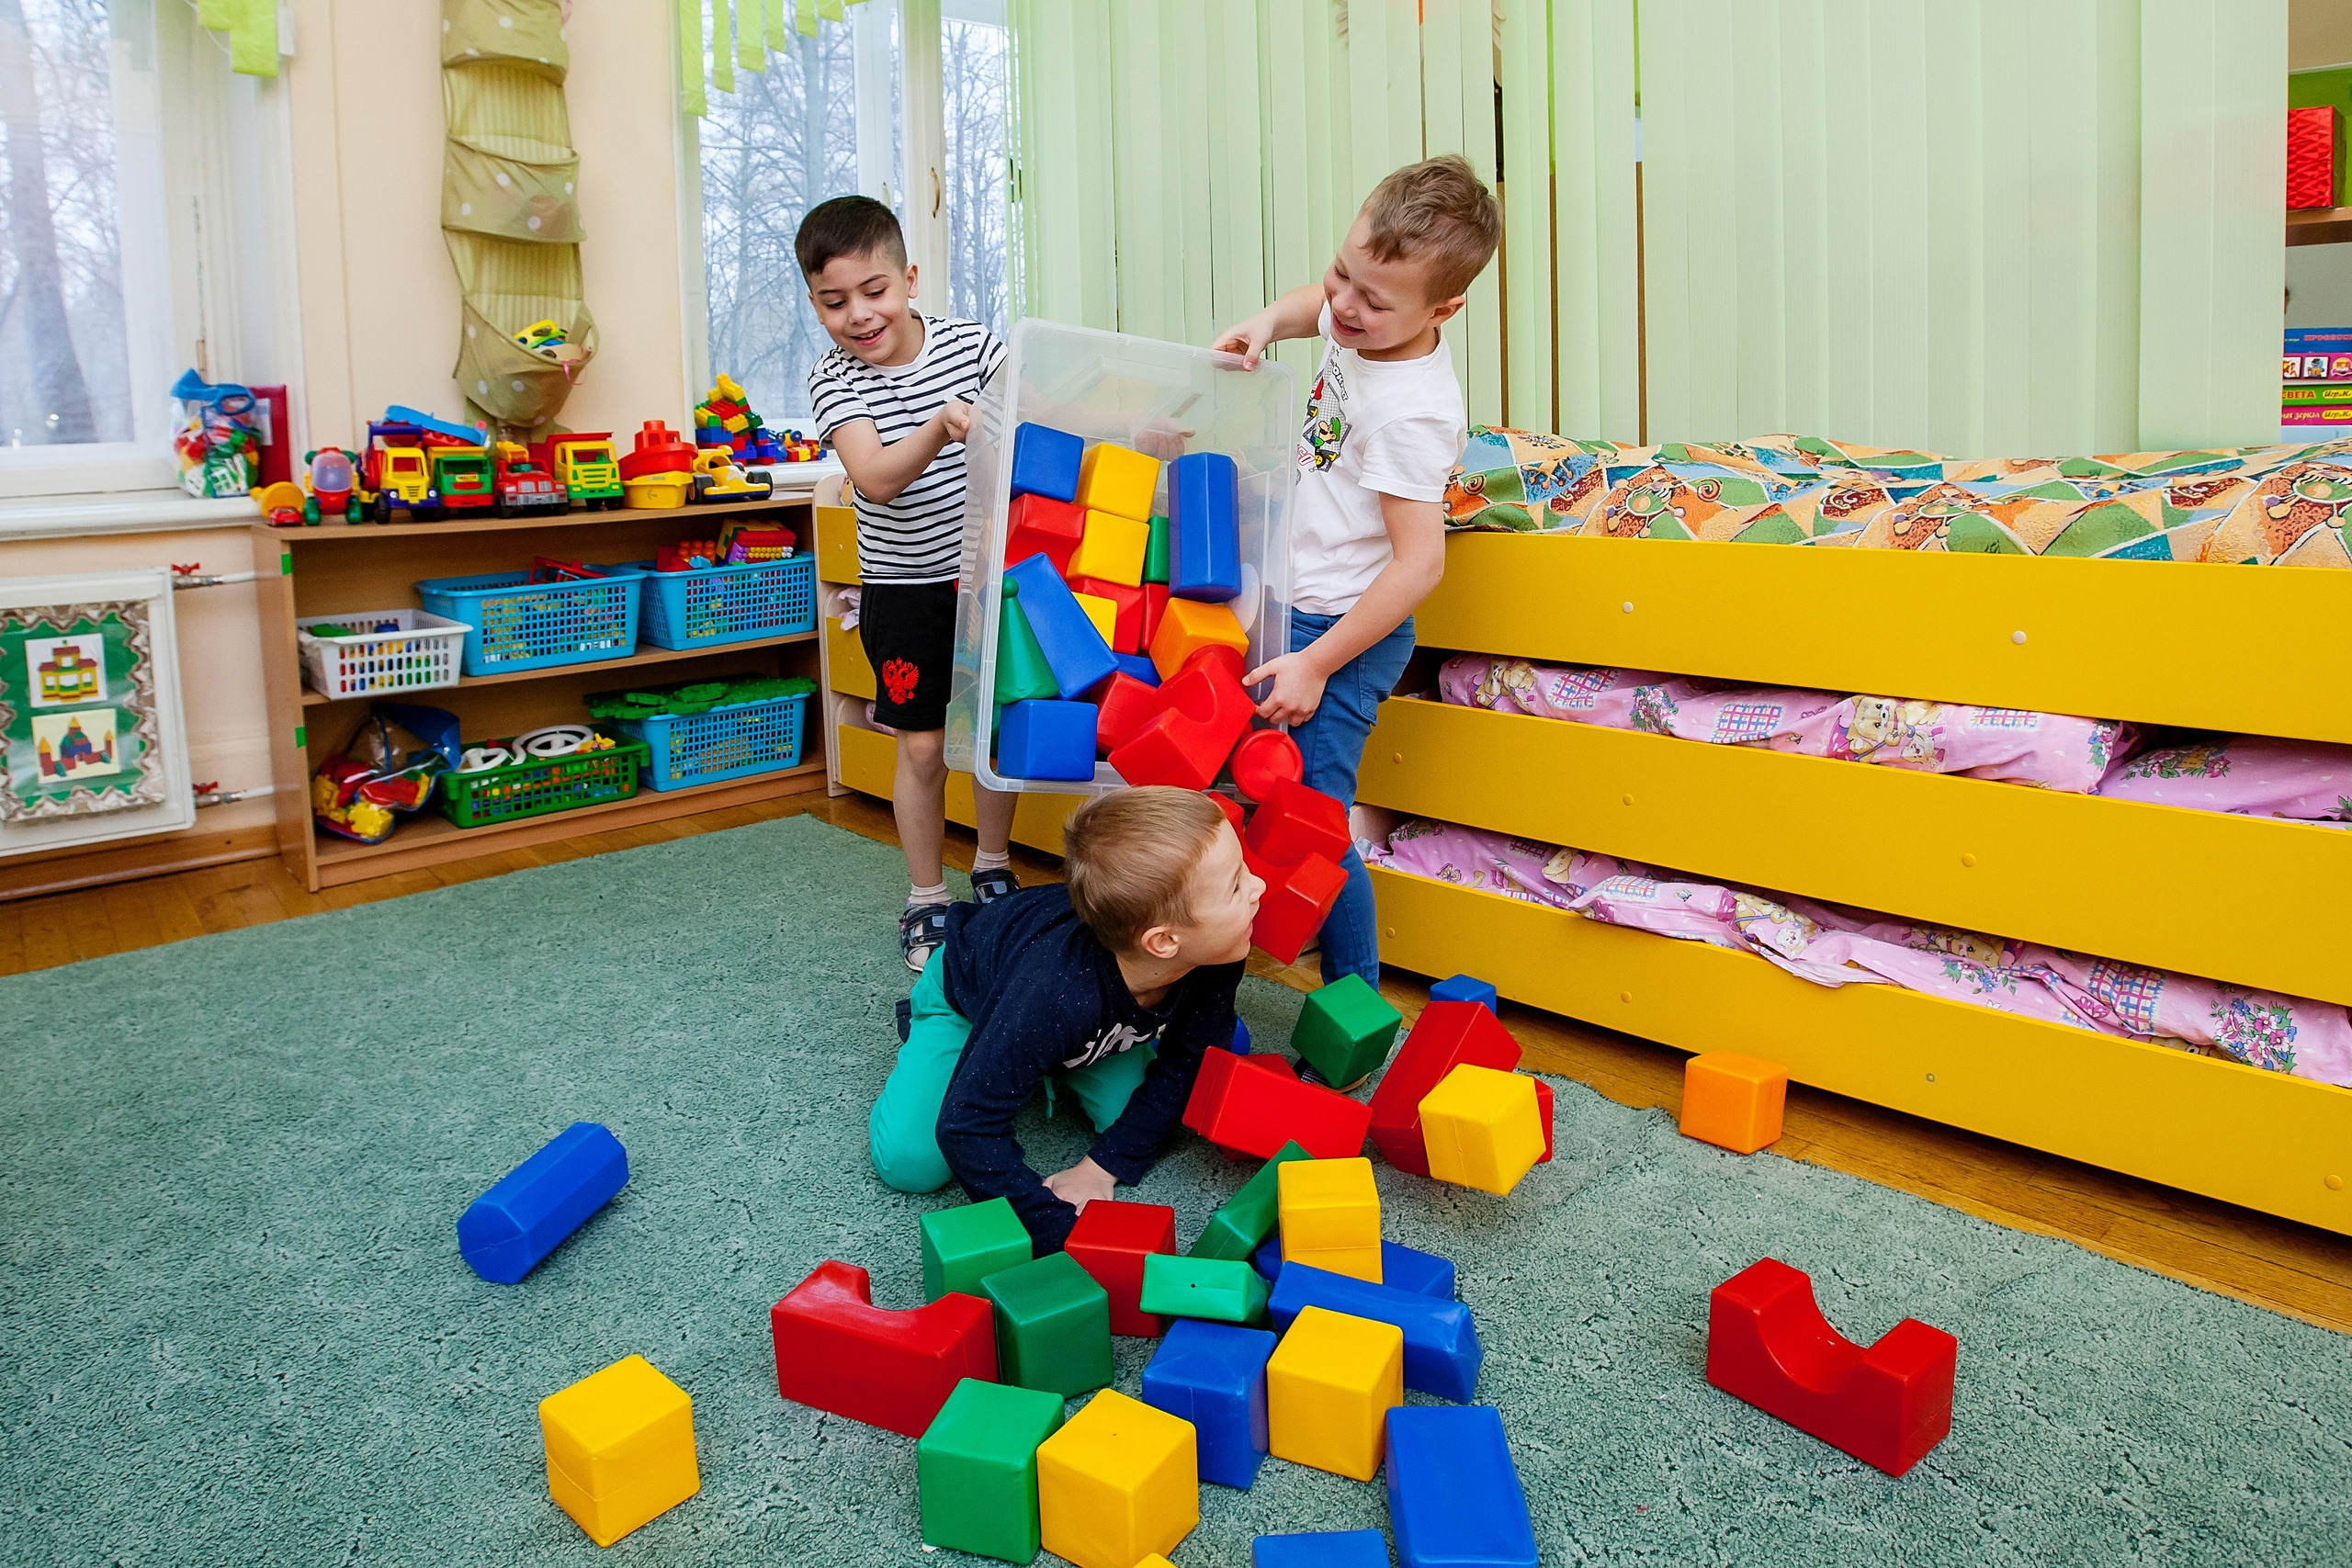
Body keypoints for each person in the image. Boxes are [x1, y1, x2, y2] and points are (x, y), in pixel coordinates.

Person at [1211, 154, 1500, 990]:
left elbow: (1419, 566)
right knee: (1260, 791)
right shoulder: (1356, 318)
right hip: (1292, 601)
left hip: (1339, 632)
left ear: (1442, 310)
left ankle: (1355, 1001)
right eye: (1344, 271)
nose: (1343, 304)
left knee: (1315, 822)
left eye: (1373, 301)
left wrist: (1316, 662)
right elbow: (1317, 304)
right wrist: (1268, 322)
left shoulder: (1411, 413)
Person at [867, 787, 1262, 1254]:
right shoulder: (1052, 994)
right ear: (1163, 942)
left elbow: (1190, 1060)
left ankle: (1043, 1061)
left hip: (1072, 1019)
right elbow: (965, 1127)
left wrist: (1100, 1168)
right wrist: (1060, 1235)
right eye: (1236, 886)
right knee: (911, 1162)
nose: (1258, 887)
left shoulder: (1221, 947)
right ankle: (934, 1029)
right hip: (968, 999)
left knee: (1142, 1120)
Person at [799, 194, 1021, 971]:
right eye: (834, 301)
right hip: (904, 588)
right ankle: (927, 898)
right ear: (815, 304)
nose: (859, 314)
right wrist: (939, 425)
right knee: (924, 747)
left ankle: (993, 867)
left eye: (875, 290)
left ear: (910, 279)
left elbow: (1037, 417)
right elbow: (875, 477)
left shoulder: (974, 345)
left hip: (987, 581)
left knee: (992, 734)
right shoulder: (834, 379)